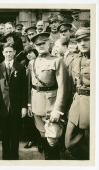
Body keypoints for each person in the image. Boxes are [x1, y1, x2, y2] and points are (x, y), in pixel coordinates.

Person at [28, 32, 69, 160]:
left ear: (49, 44)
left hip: (51, 105)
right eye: (38, 44)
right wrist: (29, 104)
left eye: (43, 43)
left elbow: (63, 86)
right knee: (42, 135)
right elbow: (30, 86)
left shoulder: (57, 61)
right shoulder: (32, 63)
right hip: (36, 105)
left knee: (53, 138)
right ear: (35, 46)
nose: (41, 46)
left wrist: (58, 109)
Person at [0, 43, 27, 160]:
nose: (8, 54)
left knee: (15, 132)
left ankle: (14, 156)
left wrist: (24, 106)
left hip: (16, 106)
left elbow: (24, 89)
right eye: (6, 52)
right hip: (2, 105)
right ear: (3, 53)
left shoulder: (20, 68)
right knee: (5, 133)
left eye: (10, 52)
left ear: (14, 52)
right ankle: (6, 157)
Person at [65, 27, 90, 160]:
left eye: (86, 40)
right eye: (79, 41)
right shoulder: (75, 59)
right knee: (70, 142)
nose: (82, 43)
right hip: (77, 104)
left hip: (92, 106)